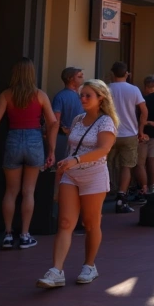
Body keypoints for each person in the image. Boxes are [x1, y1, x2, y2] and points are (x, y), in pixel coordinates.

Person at [35, 79, 119, 290]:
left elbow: (103, 149)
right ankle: (56, 270)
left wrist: (78, 160)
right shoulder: (78, 119)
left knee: (91, 224)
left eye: (87, 95)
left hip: (94, 176)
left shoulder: (105, 121)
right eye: (81, 95)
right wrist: (64, 167)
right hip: (70, 175)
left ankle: (89, 266)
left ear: (101, 98)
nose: (82, 98)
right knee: (64, 223)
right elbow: (72, 147)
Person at [0, 58, 59, 250]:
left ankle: (8, 234)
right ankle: (25, 235)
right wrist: (51, 149)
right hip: (35, 140)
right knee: (29, 192)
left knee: (11, 191)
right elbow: (52, 121)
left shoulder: (6, 95)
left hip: (13, 139)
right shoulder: (40, 95)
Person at [106, 62, 146, 213]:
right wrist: (140, 129)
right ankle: (121, 199)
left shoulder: (106, 89)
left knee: (105, 164)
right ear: (126, 74)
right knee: (127, 166)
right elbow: (144, 110)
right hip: (129, 133)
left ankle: (103, 193)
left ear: (112, 74)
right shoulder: (134, 89)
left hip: (109, 132)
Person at [51, 67, 84, 160]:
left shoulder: (83, 96)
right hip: (64, 138)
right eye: (79, 76)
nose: (83, 78)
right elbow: (55, 121)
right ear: (70, 79)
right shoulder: (60, 97)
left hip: (81, 138)